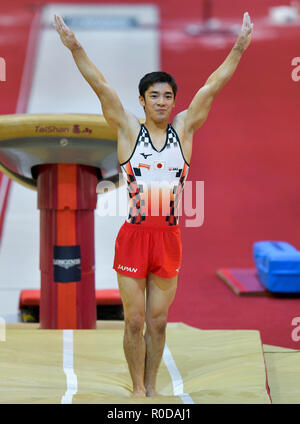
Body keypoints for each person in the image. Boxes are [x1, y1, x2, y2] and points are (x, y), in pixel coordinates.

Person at [53, 12, 253, 398]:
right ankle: (137, 388)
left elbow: (212, 86)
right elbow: (102, 87)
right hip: (134, 236)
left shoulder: (184, 131)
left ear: (174, 102)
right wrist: (75, 46)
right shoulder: (129, 130)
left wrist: (239, 47)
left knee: (158, 322)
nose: (162, 102)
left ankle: (152, 387)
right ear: (142, 101)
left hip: (168, 238)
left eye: (167, 96)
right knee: (134, 321)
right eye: (154, 96)